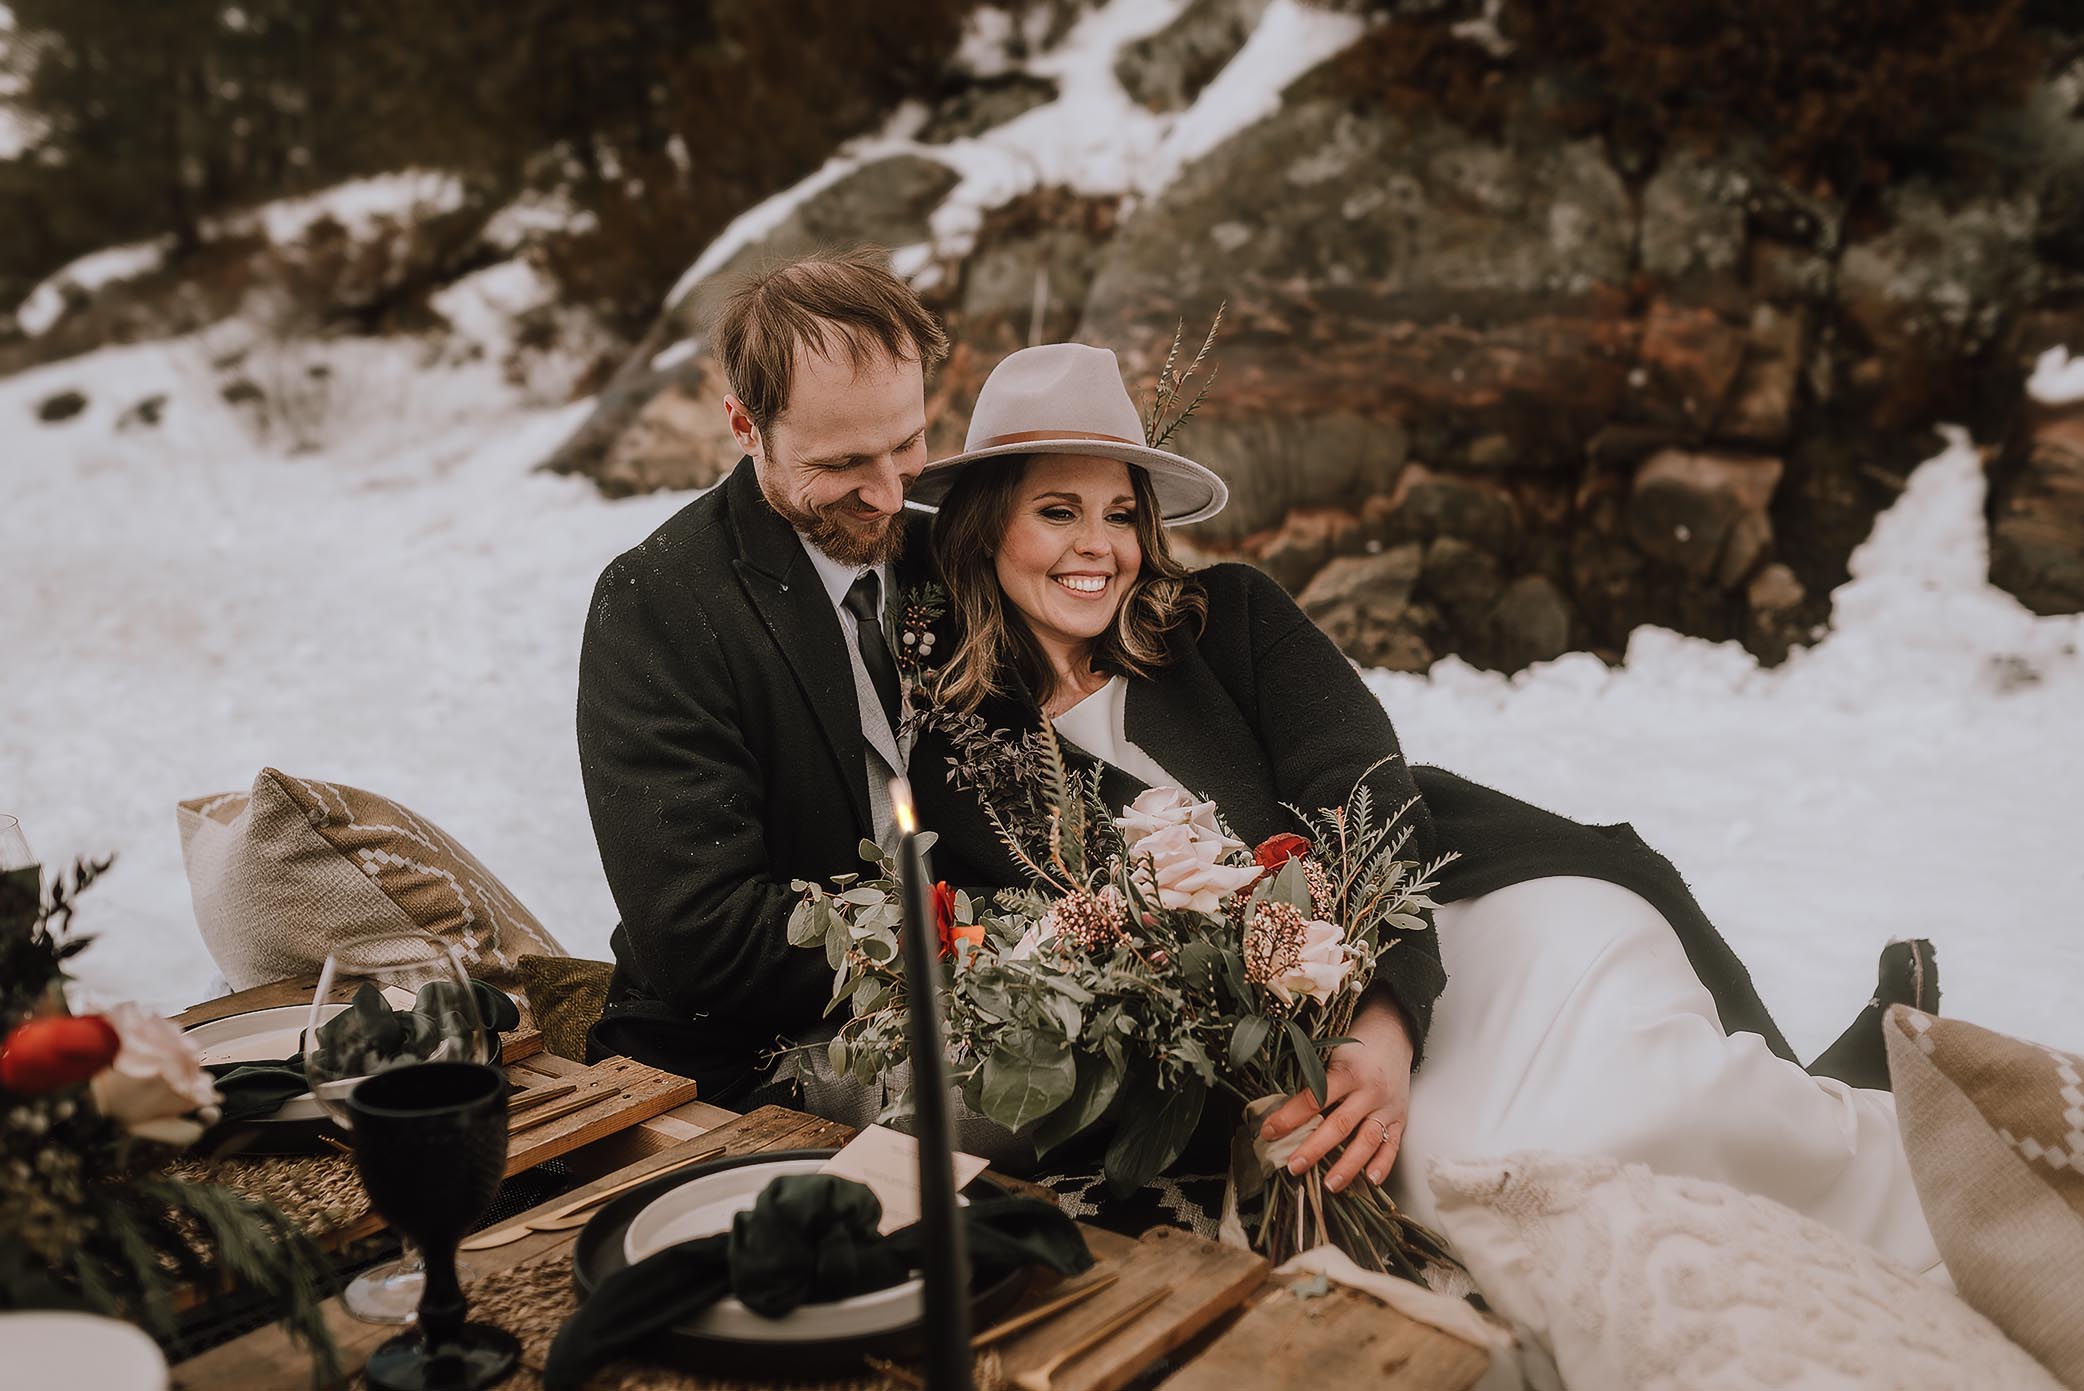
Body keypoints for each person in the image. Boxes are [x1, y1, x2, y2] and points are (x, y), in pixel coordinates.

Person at [904, 342, 1944, 1274]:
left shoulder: (1226, 622)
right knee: (1496, 1168)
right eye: (1056, 510)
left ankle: (1897, 1146)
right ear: (986, 523)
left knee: (1653, 1086)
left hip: (1446, 922)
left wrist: (1384, 1018)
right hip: (1263, 1052)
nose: (1100, 545)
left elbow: (1363, 788)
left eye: (1121, 511)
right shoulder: (965, 753)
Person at [575, 250, 947, 1104]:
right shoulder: (654, 600)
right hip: (737, 1057)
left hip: (968, 1017)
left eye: (908, 443)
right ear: (746, 427)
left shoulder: (949, 552)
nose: (889, 494)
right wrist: (962, 941)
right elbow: (702, 936)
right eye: (844, 464)